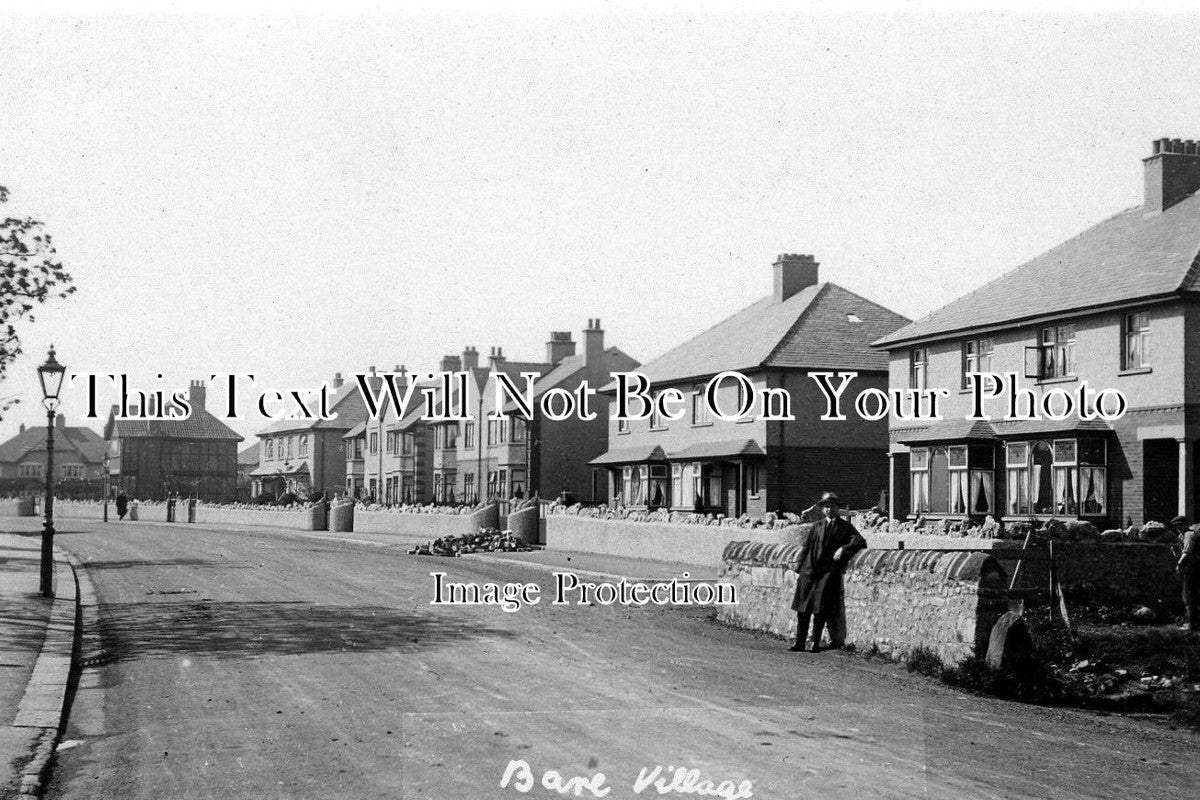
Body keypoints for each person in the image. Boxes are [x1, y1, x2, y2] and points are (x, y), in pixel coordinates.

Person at [790, 491, 866, 652]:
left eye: (832, 506)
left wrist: (843, 549)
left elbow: (859, 541)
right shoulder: (816, 526)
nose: (829, 510)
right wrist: (799, 568)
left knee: (820, 609)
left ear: (837, 508)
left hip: (826, 574)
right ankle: (799, 642)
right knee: (802, 609)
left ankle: (815, 643)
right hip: (808, 571)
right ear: (822, 509)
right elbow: (806, 547)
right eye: (826, 507)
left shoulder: (844, 527)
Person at [1173, 515, 1199, 633]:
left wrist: (1179, 564)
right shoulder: (1183, 535)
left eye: (1179, 525)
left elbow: (1187, 552)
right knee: (1189, 595)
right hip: (1191, 566)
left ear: (1184, 524)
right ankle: (1193, 622)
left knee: (1189, 595)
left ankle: (1192, 625)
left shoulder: (1189, 534)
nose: (1177, 528)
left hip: (1191, 567)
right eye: (1176, 526)